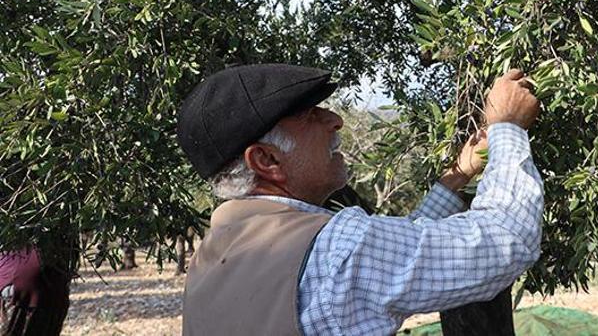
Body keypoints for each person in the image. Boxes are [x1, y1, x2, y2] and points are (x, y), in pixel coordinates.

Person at [177, 64, 543, 336]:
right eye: (309, 114)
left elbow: (397, 249)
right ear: (266, 160)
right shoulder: (336, 247)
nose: (335, 119)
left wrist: (457, 175)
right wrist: (507, 126)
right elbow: (507, 240)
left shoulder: (211, 260)